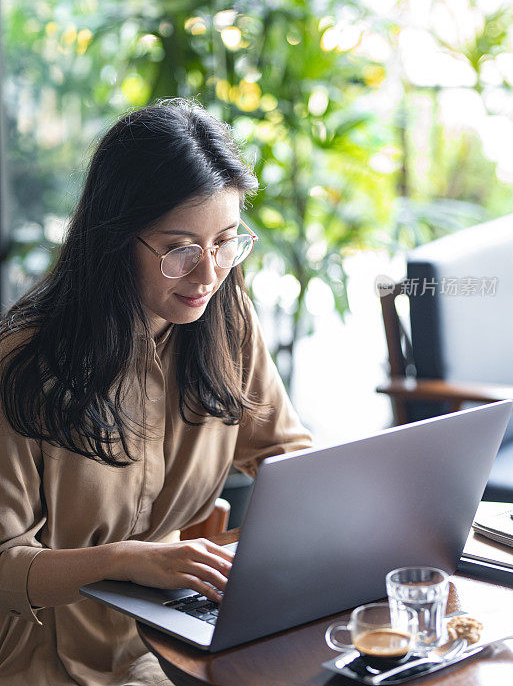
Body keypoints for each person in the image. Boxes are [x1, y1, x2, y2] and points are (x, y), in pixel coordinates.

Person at [0, 98, 313, 686]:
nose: (208, 273)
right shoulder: (25, 364)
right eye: (180, 249)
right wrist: (126, 560)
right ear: (117, 239)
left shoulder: (226, 321)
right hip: (42, 657)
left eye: (225, 241)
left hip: (172, 635)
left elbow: (287, 456)